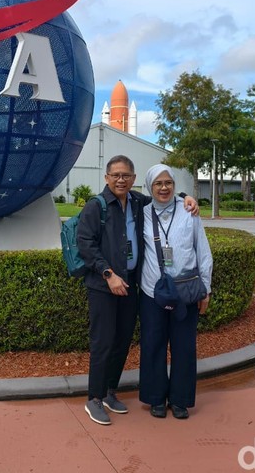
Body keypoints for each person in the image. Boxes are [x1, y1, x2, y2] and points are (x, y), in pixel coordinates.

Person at [76, 155, 198, 425]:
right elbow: (86, 244)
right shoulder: (96, 207)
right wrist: (109, 275)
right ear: (107, 177)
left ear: (134, 180)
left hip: (131, 285)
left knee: (121, 341)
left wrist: (186, 196)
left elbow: (162, 192)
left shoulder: (137, 203)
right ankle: (94, 398)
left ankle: (109, 391)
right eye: (116, 175)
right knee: (103, 342)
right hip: (104, 285)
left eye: (126, 176)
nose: (121, 180)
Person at [138, 163, 212, 420]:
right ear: (149, 186)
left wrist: (206, 289)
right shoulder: (142, 212)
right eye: (157, 183)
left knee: (184, 347)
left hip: (185, 292)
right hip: (152, 292)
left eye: (168, 182)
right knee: (153, 344)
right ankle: (156, 398)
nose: (164, 187)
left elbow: (202, 250)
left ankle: (180, 399)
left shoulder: (189, 211)